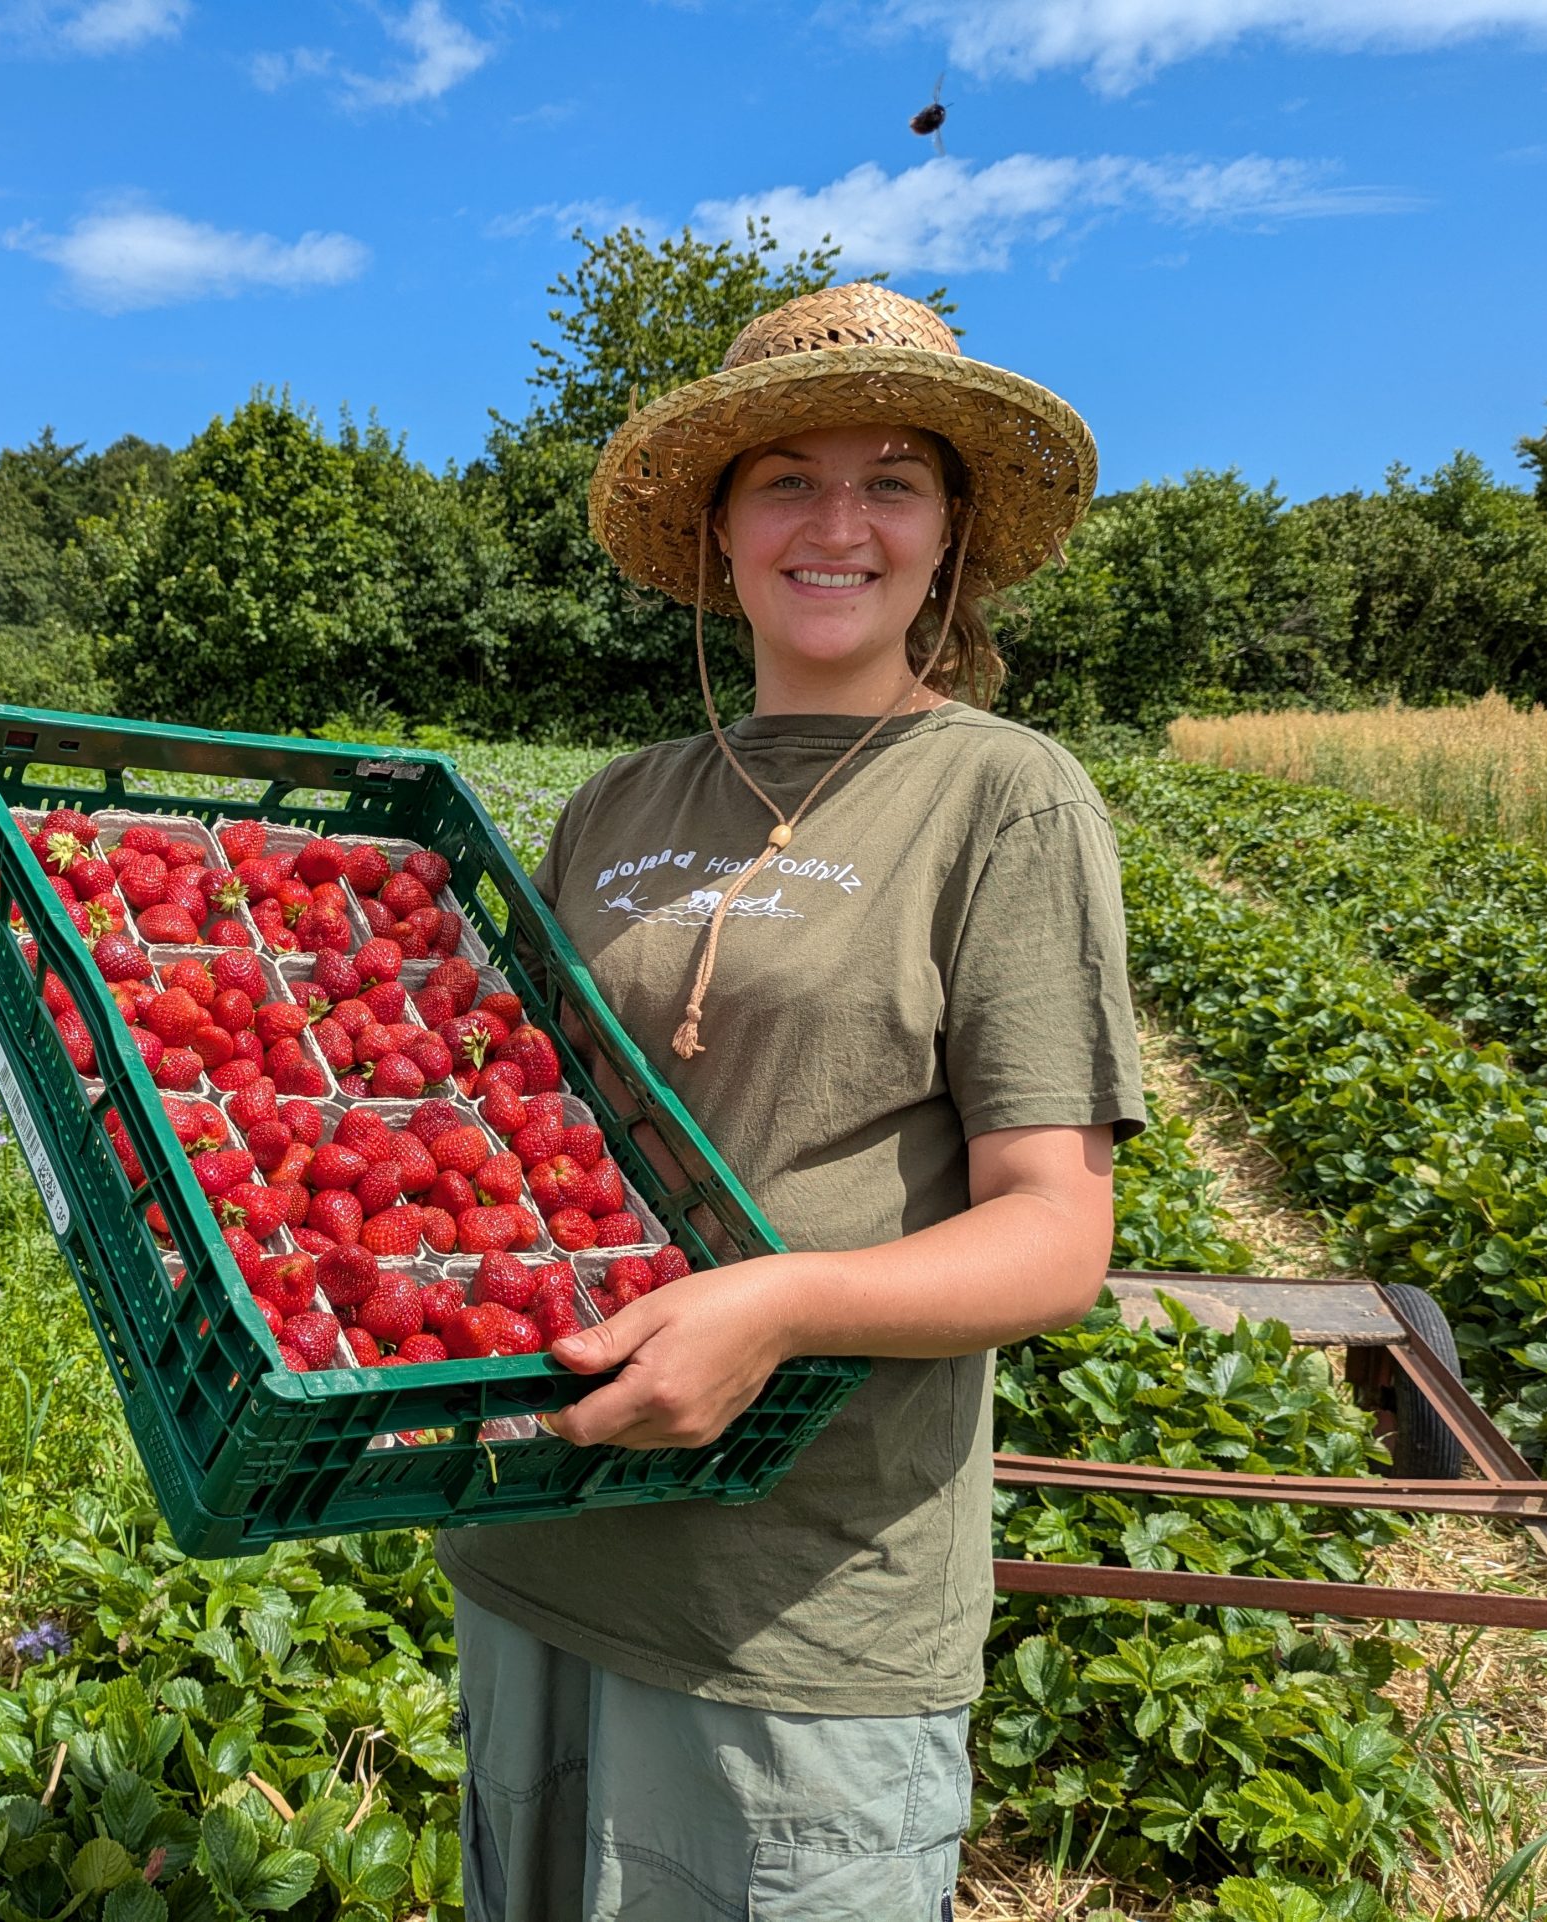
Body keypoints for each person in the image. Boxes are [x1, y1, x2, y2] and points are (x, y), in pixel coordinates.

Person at [434, 282, 1148, 1920]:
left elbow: (1054, 1236)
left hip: (799, 1601)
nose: (840, 522)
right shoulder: (623, 799)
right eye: (787, 480)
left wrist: (777, 1305)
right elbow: (511, 1134)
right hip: (544, 1541)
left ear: (952, 533)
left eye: (893, 478)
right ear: (723, 525)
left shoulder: (1003, 796)